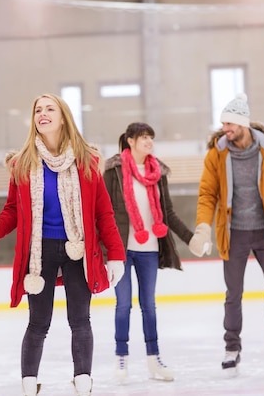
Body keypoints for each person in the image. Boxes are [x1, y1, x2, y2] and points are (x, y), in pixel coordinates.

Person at [0, 94, 126, 396]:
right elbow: (12, 210)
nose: (42, 113)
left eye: (49, 108)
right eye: (37, 110)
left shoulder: (88, 161)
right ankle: (29, 384)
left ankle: (83, 380)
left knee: (80, 319)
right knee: (38, 322)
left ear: (64, 116)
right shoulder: (22, 164)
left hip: (77, 251)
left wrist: (115, 255)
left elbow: (103, 212)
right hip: (39, 255)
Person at [188, 93, 264, 377]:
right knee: (233, 293)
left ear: (243, 124)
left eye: (230, 123)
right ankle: (232, 348)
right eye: (223, 123)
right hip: (234, 233)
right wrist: (203, 228)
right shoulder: (217, 153)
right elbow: (207, 194)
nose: (225, 128)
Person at [103, 122, 196, 383]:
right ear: (130, 140)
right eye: (144, 137)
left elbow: (169, 213)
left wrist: (191, 239)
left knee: (149, 306)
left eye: (151, 138)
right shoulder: (114, 171)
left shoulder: (158, 172)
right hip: (121, 250)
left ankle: (154, 359)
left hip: (149, 249)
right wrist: (104, 251)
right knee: (123, 305)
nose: (149, 142)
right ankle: (121, 358)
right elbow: (104, 212)